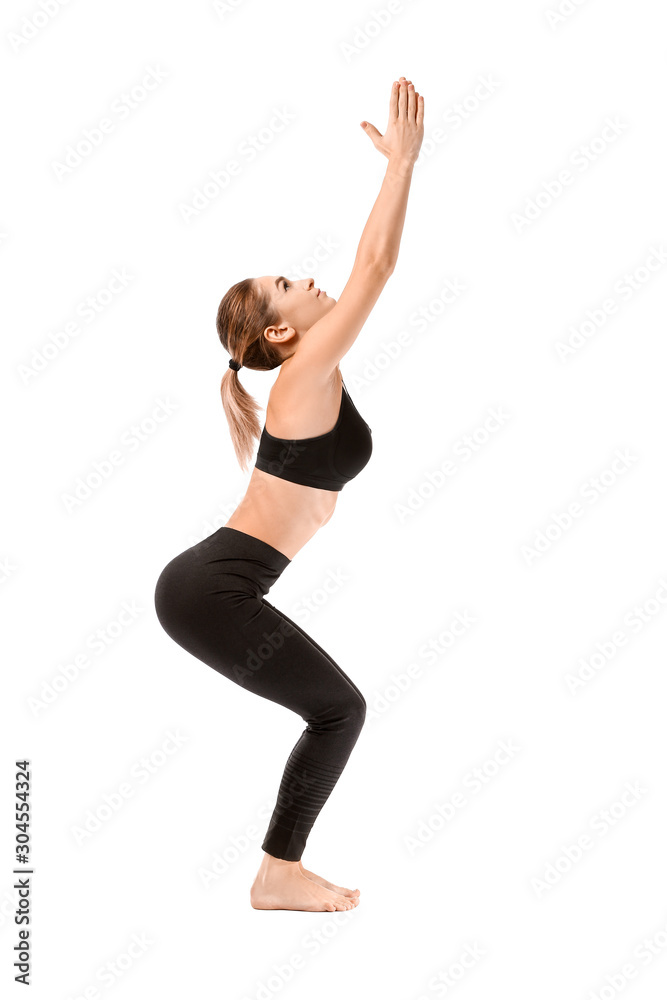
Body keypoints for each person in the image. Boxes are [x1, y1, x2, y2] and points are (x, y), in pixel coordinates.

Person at [154, 76, 424, 912]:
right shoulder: (302, 376)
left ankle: (280, 869)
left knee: (336, 708)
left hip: (212, 585)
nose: (310, 281)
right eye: (291, 287)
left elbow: (363, 274)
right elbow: (375, 265)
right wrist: (402, 166)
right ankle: (278, 873)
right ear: (281, 334)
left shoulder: (315, 370)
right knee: (339, 709)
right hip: (211, 590)